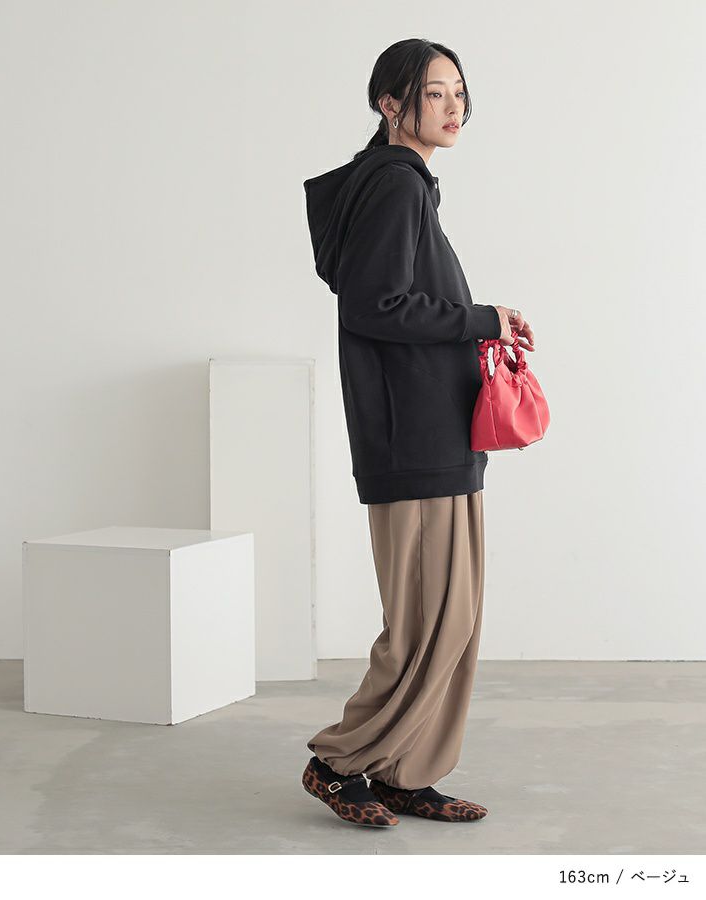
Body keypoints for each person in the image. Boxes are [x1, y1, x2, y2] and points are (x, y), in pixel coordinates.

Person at [300, 38, 535, 828]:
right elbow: (376, 305)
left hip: (437, 432)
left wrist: (479, 323)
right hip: (414, 438)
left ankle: (405, 770)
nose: (454, 106)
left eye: (459, 92)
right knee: (424, 622)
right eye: (436, 93)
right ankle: (338, 761)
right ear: (390, 104)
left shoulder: (406, 186)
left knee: (450, 618)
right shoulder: (397, 183)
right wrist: (483, 317)